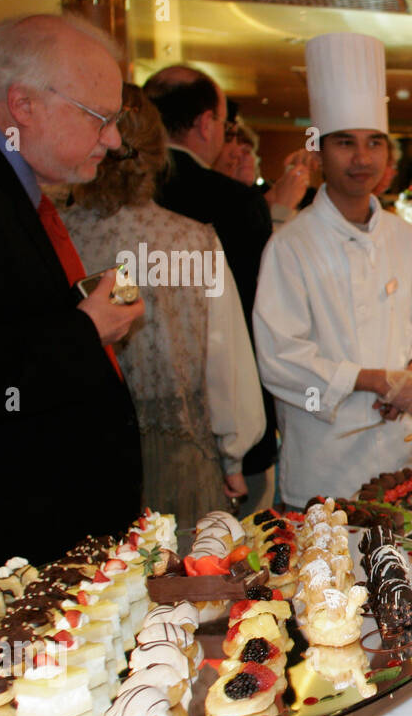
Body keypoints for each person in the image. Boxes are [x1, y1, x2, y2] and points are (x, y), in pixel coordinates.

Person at [0, 14, 143, 580]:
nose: (113, 140)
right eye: (100, 118)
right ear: (23, 105)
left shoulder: (5, 177)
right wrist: (86, 329)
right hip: (1, 548)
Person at [253, 33, 412, 509]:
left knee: (404, 574)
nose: (361, 159)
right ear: (319, 153)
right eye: (345, 143)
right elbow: (280, 357)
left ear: (387, 155)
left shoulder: (408, 241)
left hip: (399, 455)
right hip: (323, 463)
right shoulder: (290, 246)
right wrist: (372, 380)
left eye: (373, 144)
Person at [60, 84, 265, 527]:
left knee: (99, 587)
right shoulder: (194, 240)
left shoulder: (57, 235)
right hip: (182, 455)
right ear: (158, 155)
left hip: (81, 456)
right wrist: (234, 458)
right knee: (188, 583)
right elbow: (225, 363)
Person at [143, 65, 278, 514]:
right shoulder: (235, 202)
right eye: (223, 123)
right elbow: (257, 318)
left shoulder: (97, 203)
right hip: (223, 416)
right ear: (205, 123)